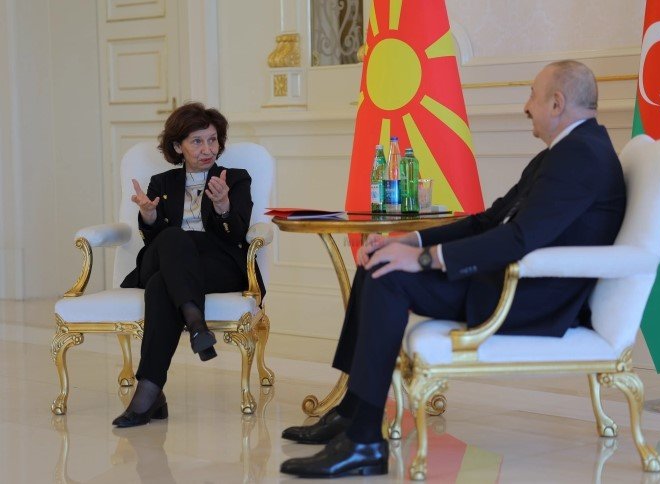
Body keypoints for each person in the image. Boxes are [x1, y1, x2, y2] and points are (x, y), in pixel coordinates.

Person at [279, 60, 626, 478]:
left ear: (557, 102)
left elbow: (520, 238)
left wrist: (424, 260)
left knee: (388, 278)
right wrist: (411, 242)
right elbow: (489, 220)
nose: (525, 106)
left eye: (532, 96)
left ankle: (364, 441)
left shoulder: (581, 155)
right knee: (379, 262)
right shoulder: (566, 151)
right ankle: (353, 412)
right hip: (507, 281)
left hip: (527, 296)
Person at [113, 102, 263, 428]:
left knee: (160, 286)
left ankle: (149, 392)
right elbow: (154, 242)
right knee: (171, 238)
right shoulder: (161, 183)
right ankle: (196, 322)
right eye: (197, 141)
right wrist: (149, 216)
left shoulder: (235, 179)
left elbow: (236, 234)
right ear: (178, 146)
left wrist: (223, 206)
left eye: (212, 140)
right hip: (169, 257)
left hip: (217, 264)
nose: (207, 149)